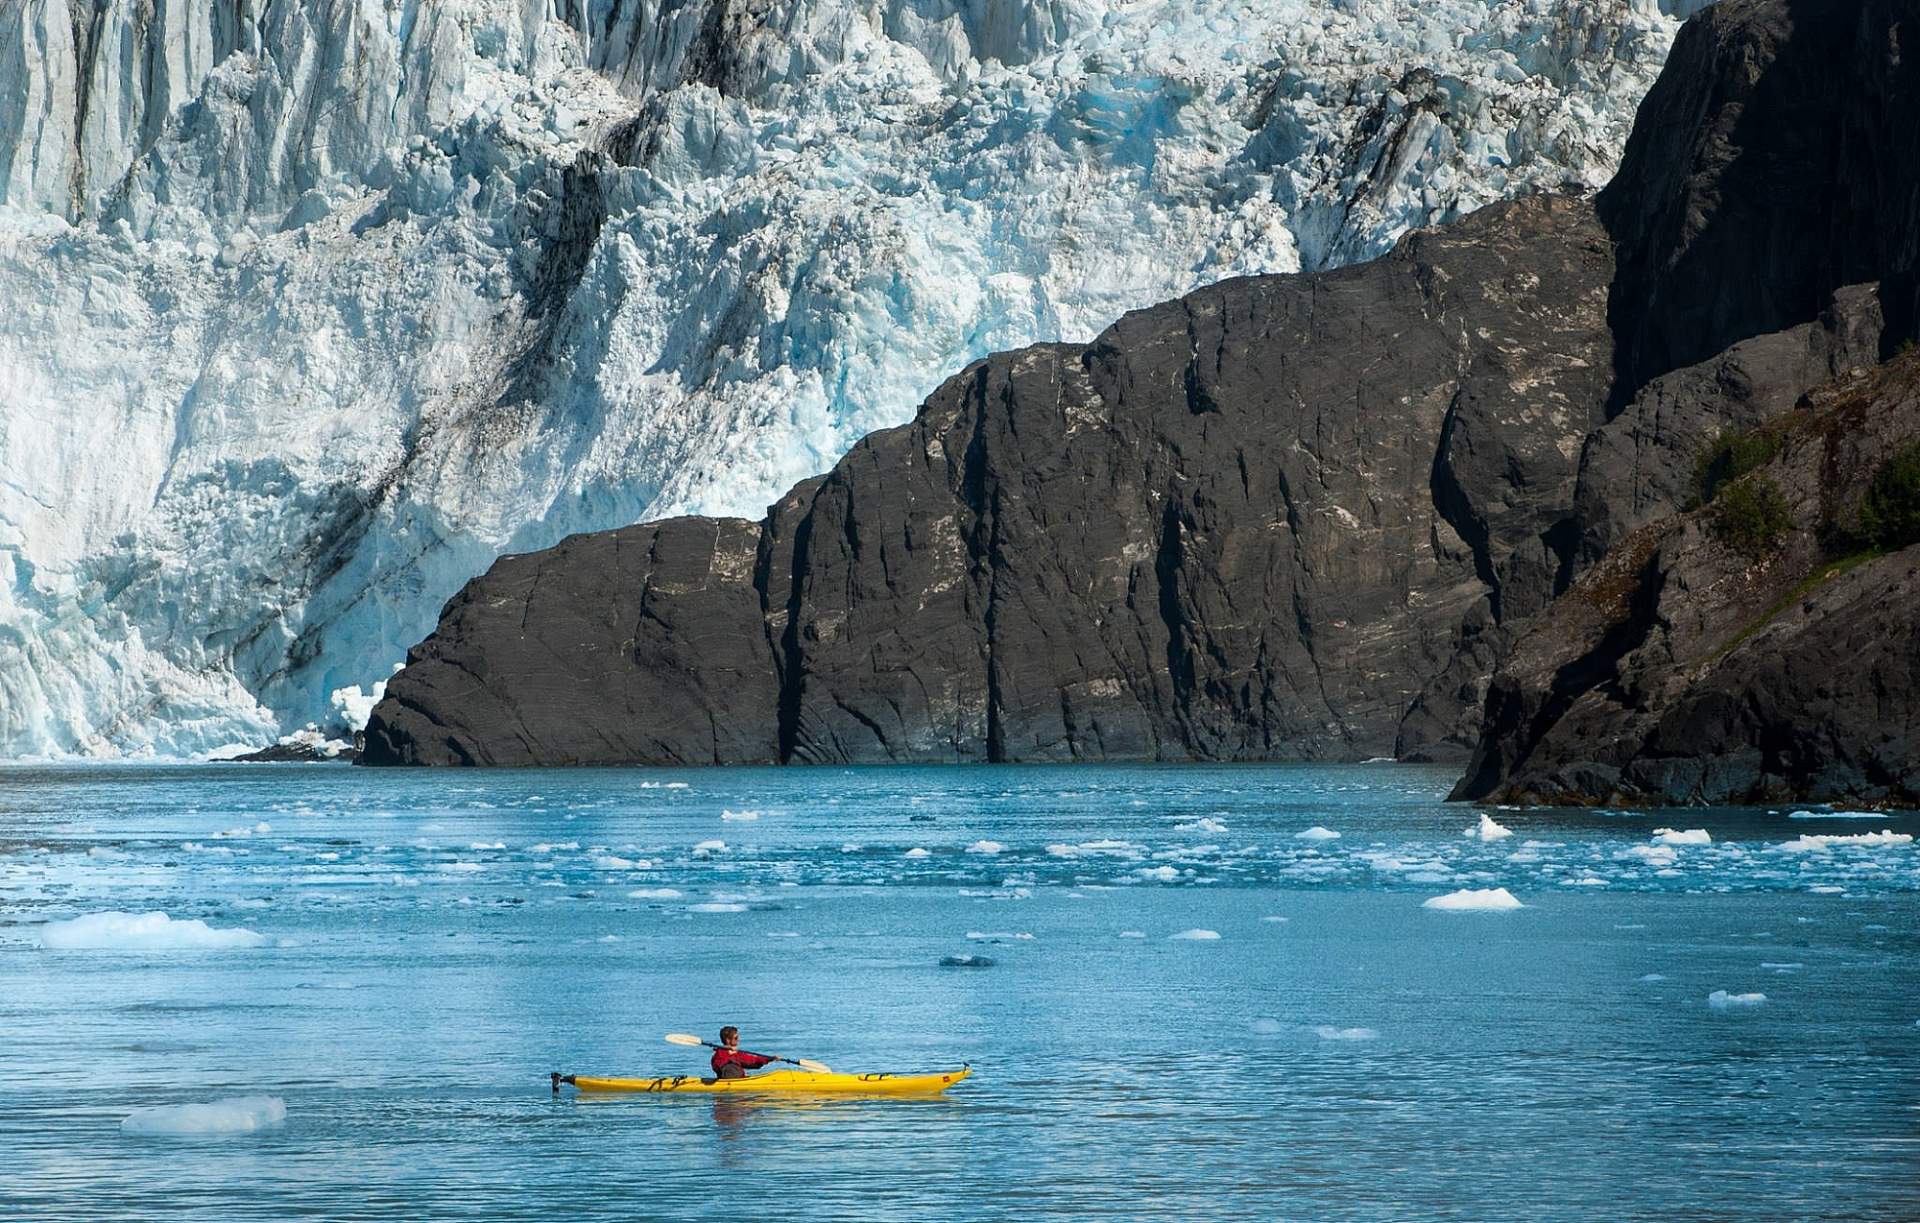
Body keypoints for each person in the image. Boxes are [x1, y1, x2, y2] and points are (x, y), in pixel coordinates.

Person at [710, 1026, 778, 1079]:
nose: (738, 1040)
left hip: (738, 1080)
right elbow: (716, 1066)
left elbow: (752, 1060)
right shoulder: (719, 1054)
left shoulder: (737, 1054)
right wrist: (729, 1055)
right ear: (728, 1040)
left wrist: (769, 1059)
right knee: (730, 1065)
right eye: (736, 1038)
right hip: (727, 1082)